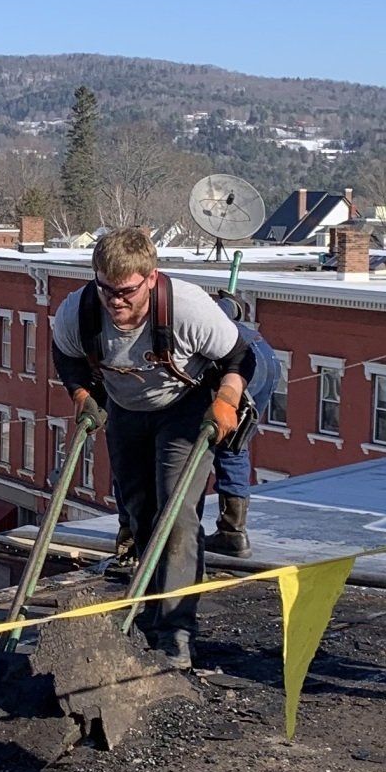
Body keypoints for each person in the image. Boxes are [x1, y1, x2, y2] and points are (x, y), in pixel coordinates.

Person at [51, 226, 253, 669]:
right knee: (139, 512)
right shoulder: (79, 310)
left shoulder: (187, 308)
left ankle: (177, 630)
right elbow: (66, 356)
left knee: (177, 515)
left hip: (185, 407)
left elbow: (240, 356)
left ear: (149, 277)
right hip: (126, 408)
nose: (115, 301)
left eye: (125, 291)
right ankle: (149, 609)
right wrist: (82, 396)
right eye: (106, 289)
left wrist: (227, 399)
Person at [207, 290, 282, 559]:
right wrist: (231, 304)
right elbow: (227, 309)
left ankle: (213, 533)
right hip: (265, 356)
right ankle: (232, 533)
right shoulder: (202, 310)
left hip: (242, 365)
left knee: (199, 443)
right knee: (233, 445)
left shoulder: (180, 314)